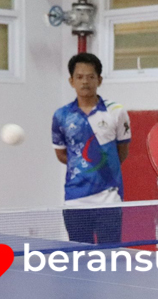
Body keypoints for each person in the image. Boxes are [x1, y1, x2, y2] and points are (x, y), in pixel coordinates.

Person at [52, 53, 131, 244]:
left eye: (90, 76)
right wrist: (85, 165)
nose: (85, 82)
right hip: (75, 200)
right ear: (71, 81)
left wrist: (102, 167)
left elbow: (122, 151)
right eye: (79, 77)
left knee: (110, 255)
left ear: (99, 80)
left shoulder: (116, 111)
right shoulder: (61, 115)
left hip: (108, 199)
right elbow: (62, 154)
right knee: (79, 256)